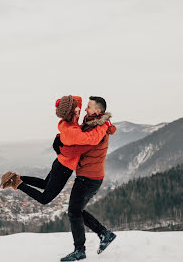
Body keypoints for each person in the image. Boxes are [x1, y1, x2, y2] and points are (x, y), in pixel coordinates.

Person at [0, 95, 111, 206]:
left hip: (59, 163)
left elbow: (78, 99)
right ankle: (17, 183)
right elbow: (93, 139)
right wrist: (105, 124)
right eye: (76, 108)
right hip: (64, 169)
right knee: (44, 199)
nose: (81, 109)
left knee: (44, 184)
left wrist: (66, 103)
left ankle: (15, 177)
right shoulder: (73, 131)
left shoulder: (70, 121)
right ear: (71, 113)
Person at [59, 96, 117, 262]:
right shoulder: (93, 123)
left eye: (89, 107)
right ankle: (104, 234)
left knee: (73, 212)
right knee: (77, 211)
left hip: (88, 177)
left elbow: (84, 142)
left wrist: (63, 146)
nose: (85, 109)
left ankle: (80, 250)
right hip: (89, 175)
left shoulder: (99, 128)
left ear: (98, 111)